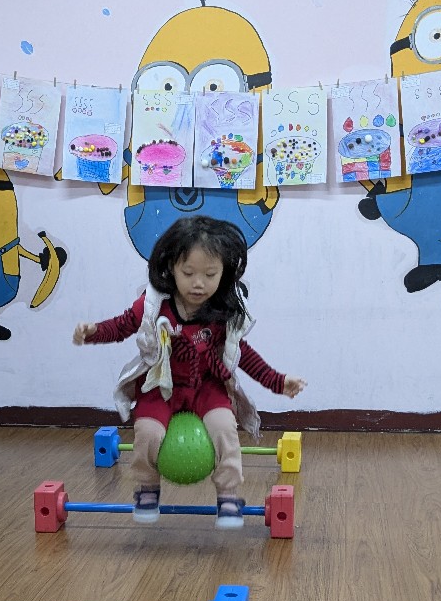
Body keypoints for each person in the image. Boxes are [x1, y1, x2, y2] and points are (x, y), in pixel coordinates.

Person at [73, 215, 306, 528]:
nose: (199, 283)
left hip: (206, 387)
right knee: (148, 431)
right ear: (171, 268)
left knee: (225, 428)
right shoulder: (153, 306)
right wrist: (93, 332)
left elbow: (242, 355)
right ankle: (147, 487)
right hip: (160, 387)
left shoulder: (221, 313)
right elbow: (122, 325)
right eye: (189, 273)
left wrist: (278, 381)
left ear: (223, 273)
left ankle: (228, 494)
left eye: (210, 274)